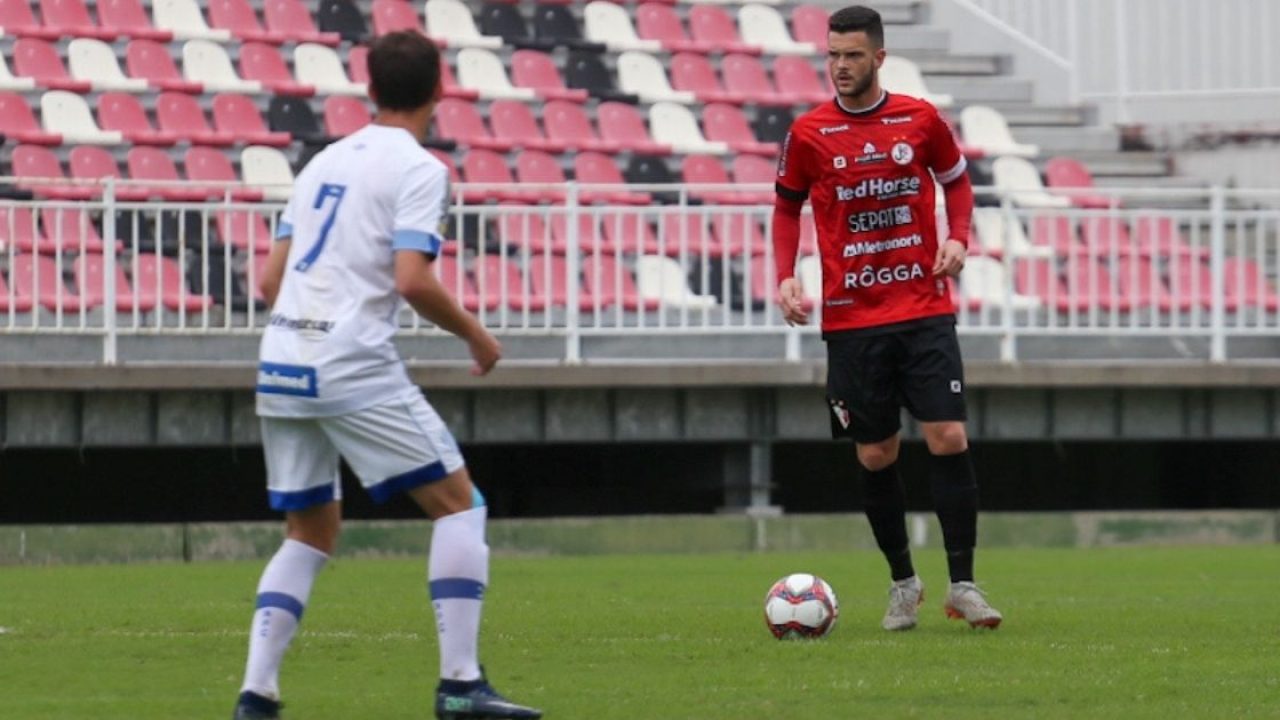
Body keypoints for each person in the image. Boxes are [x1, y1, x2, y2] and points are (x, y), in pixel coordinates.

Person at [232, 31, 542, 720]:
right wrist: (477, 335)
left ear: (368, 90)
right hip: (350, 363)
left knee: (308, 531)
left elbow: (270, 280)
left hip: (282, 360)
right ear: (441, 89)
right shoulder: (420, 169)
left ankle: (257, 696)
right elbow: (412, 278)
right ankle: (460, 686)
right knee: (460, 505)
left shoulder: (321, 163)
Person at [771, 5, 1003, 632]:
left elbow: (957, 183)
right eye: (832, 55)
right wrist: (786, 274)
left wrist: (958, 239)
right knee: (875, 454)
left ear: (879, 56)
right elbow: (786, 208)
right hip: (852, 319)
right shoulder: (809, 132)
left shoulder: (920, 119)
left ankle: (964, 585)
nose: (840, 67)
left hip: (924, 308)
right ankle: (904, 583)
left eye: (851, 55)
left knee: (948, 436)